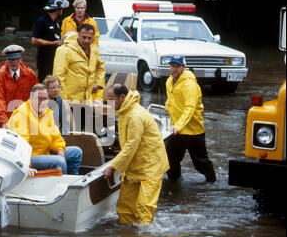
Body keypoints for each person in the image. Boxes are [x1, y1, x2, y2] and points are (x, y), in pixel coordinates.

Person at [102, 84, 169, 225]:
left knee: (144, 207)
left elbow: (131, 146)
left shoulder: (135, 116)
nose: (109, 103)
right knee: (125, 208)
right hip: (135, 165)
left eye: (111, 99)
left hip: (151, 166)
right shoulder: (123, 111)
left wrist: (112, 166)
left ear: (122, 97)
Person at [7, 84, 82, 175]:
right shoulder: (21, 113)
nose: (43, 102)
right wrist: (26, 166)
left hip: (45, 153)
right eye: (39, 99)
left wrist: (60, 150)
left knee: (76, 152)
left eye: (45, 99)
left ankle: (73, 182)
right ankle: (64, 187)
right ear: (31, 98)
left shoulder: (47, 112)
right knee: (59, 162)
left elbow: (56, 136)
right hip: (29, 158)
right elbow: (21, 144)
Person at [164, 55, 217, 183]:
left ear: (183, 67)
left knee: (200, 162)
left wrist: (178, 126)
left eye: (177, 66)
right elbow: (171, 99)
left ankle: (212, 182)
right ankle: (175, 182)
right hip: (176, 131)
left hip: (193, 131)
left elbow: (189, 108)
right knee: (170, 160)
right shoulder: (169, 81)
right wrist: (167, 106)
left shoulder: (189, 85)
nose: (174, 69)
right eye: (172, 66)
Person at [0, 45, 38, 129]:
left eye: (16, 59)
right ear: (6, 60)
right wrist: (4, 121)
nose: (14, 63)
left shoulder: (30, 74)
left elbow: (35, 97)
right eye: (10, 60)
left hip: (21, 119)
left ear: (21, 59)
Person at [53, 23, 106, 104]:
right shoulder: (64, 50)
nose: (86, 41)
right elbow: (58, 77)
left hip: (88, 100)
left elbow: (100, 68)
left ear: (93, 38)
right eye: (84, 37)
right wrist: (63, 101)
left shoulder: (94, 50)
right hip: (70, 100)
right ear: (78, 35)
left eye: (89, 38)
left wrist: (98, 84)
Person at [32, 0, 69, 83]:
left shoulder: (56, 22)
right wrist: (53, 43)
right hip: (44, 58)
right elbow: (34, 40)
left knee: (54, 81)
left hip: (55, 58)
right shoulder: (42, 21)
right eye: (62, 9)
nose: (62, 11)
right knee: (43, 82)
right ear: (58, 9)